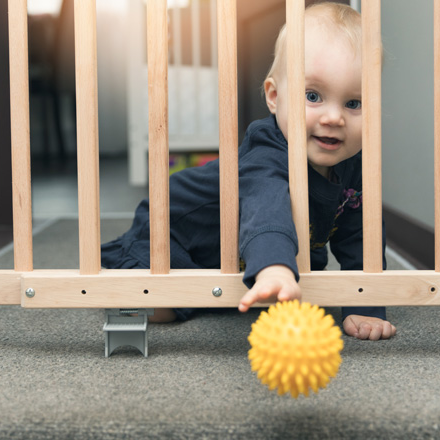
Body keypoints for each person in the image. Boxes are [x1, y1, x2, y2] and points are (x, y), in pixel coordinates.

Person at [101, 2, 396, 340]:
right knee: (165, 307)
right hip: (175, 235)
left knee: (293, 273)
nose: (334, 118)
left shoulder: (355, 163)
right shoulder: (265, 153)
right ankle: (133, 279)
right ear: (274, 96)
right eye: (313, 96)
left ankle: (256, 271)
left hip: (237, 252)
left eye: (353, 103)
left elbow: (360, 234)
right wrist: (276, 270)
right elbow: (265, 209)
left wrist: (366, 303)